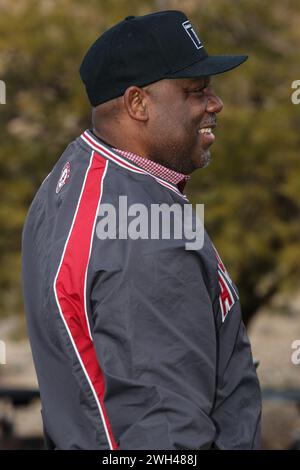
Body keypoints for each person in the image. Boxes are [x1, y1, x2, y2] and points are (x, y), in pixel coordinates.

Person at [21, 10, 262, 450]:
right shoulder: (145, 233)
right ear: (138, 104)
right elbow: (167, 436)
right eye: (195, 91)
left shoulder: (73, 176)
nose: (215, 103)